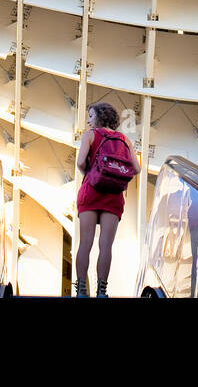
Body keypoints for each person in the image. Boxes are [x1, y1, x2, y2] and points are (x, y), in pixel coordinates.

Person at [73, 102, 140, 297]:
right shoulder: (124, 139)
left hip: (91, 192)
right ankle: (102, 291)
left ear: (99, 117)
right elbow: (136, 169)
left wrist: (91, 175)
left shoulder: (90, 135)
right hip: (113, 196)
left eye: (91, 116)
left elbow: (79, 162)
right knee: (106, 245)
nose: (88, 120)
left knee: (85, 243)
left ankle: (81, 290)